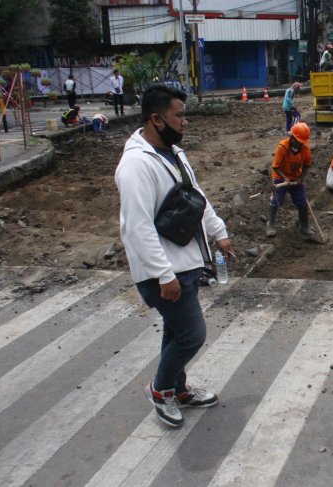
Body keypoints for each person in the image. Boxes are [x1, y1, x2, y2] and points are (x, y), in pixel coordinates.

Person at [115, 84, 234, 428]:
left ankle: (178, 390)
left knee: (175, 331)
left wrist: (219, 232)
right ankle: (161, 389)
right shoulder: (136, 165)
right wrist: (163, 275)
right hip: (163, 271)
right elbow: (136, 227)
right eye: (178, 115)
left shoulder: (174, 153)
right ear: (156, 118)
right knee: (192, 335)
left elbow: (195, 197)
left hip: (186, 263)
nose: (185, 122)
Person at [266, 122, 314, 238]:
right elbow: (275, 167)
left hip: (296, 177)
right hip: (280, 177)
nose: (301, 145)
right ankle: (270, 224)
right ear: (292, 138)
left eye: (303, 142)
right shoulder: (282, 147)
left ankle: (304, 226)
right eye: (299, 142)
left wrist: (301, 178)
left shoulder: (305, 149)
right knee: (277, 200)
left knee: (302, 202)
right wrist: (285, 178)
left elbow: (307, 164)